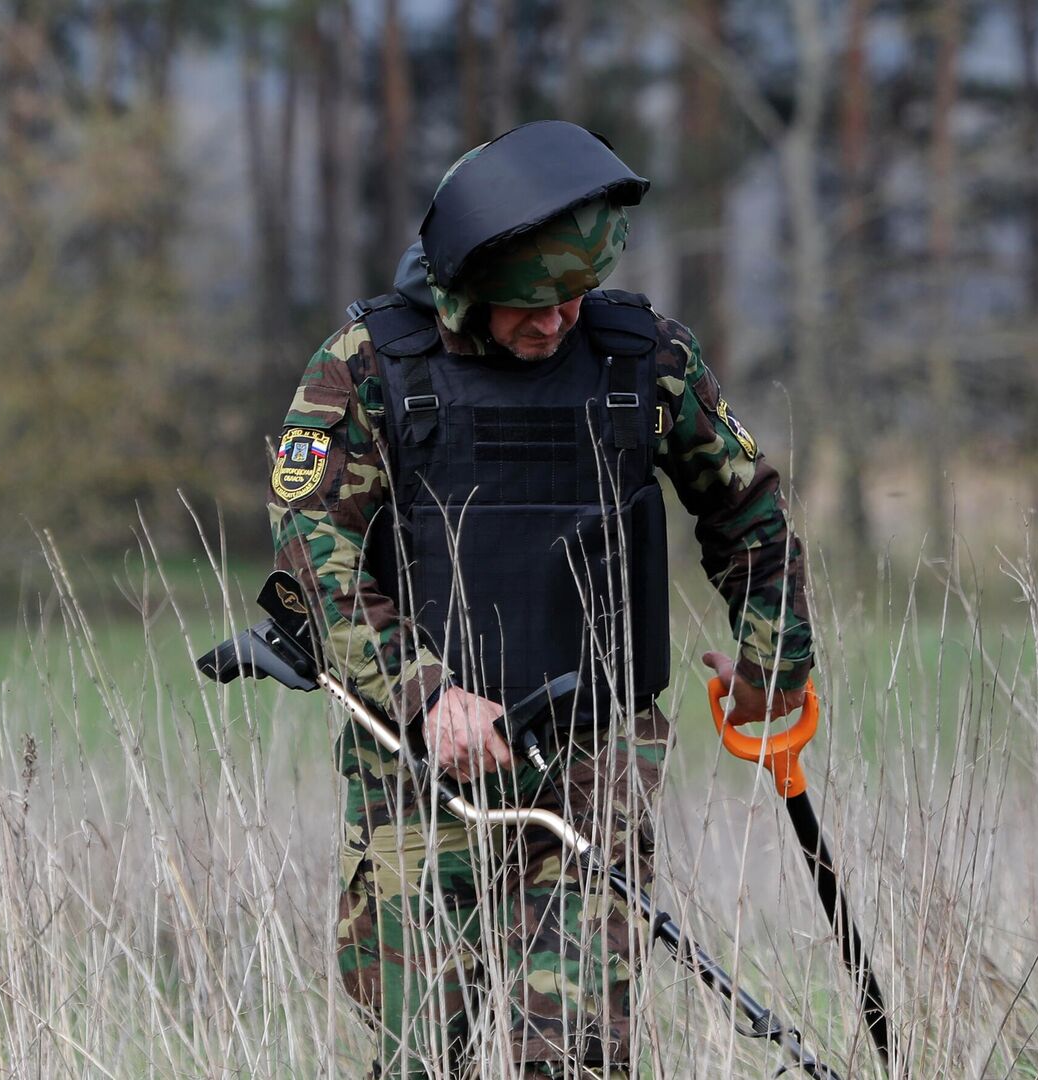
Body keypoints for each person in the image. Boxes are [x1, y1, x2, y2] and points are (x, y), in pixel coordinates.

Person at [267, 120, 814, 1078]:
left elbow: (748, 515)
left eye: (573, 298)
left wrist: (775, 669)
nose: (556, 323)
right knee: (417, 1054)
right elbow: (316, 557)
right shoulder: (366, 367)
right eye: (529, 304)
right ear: (463, 286)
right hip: (418, 775)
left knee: (571, 1058)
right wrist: (426, 692)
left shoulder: (647, 360)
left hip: (593, 760)